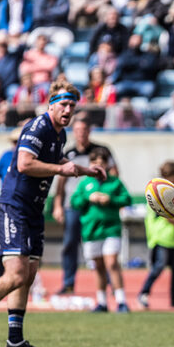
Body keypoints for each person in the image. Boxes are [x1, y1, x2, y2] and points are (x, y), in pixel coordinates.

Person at [0, 81, 105, 347]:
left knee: (29, 275)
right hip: (16, 207)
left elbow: (62, 165)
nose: (68, 109)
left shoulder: (59, 135)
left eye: (72, 105)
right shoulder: (39, 127)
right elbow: (24, 163)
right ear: (51, 104)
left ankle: (15, 340)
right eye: (64, 104)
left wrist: (87, 171)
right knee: (16, 274)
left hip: (34, 211)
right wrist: (62, 170)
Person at [53, 115, 115, 294]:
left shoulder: (101, 151)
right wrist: (58, 205)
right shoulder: (68, 153)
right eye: (78, 130)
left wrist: (108, 195)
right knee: (70, 243)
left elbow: (114, 174)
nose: (81, 134)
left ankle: (109, 283)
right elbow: (61, 183)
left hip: (96, 206)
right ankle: (68, 283)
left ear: (89, 131)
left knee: (102, 244)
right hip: (74, 205)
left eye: (84, 130)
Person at [69, 147, 131, 313]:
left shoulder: (115, 182)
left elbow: (127, 199)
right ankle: (102, 302)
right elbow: (75, 202)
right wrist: (88, 197)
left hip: (111, 228)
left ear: (107, 164)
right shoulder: (85, 183)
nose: (98, 165)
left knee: (111, 263)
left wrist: (110, 199)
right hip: (91, 230)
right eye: (94, 162)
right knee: (98, 266)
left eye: (101, 162)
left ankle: (121, 301)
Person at [138, 161, 174, 310]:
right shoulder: (159, 191)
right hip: (161, 236)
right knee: (159, 266)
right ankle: (143, 293)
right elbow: (167, 217)